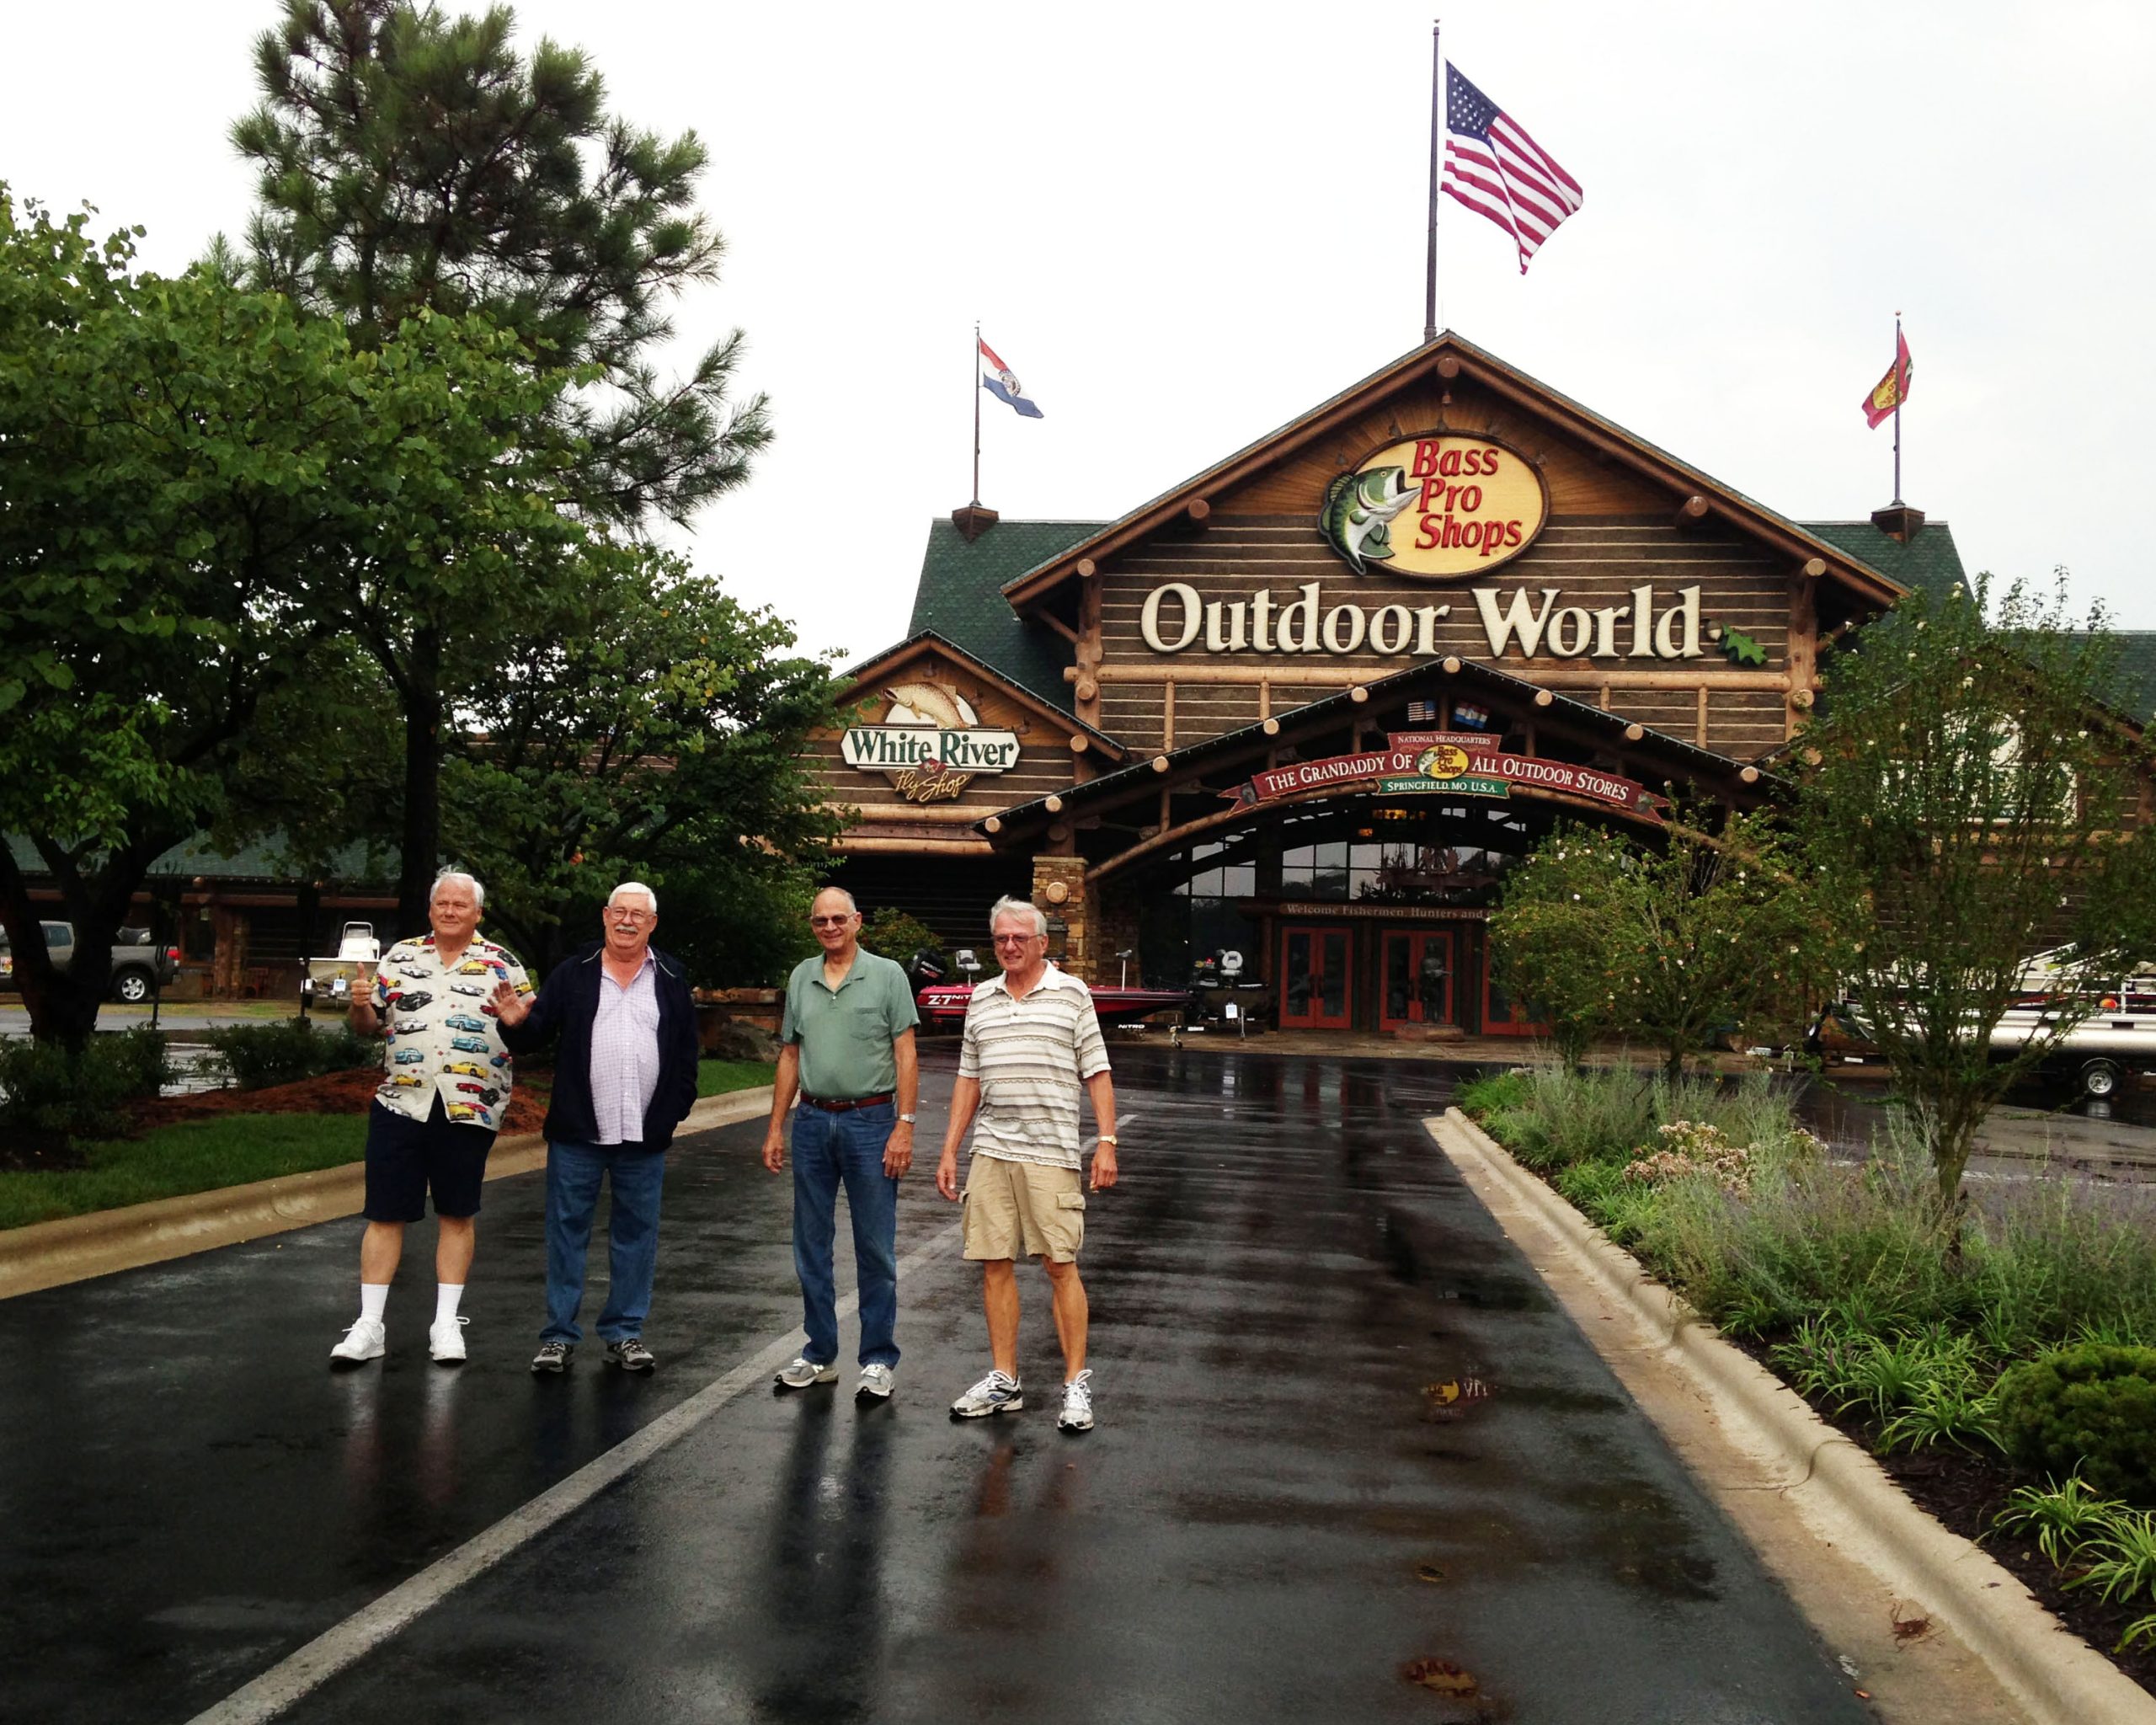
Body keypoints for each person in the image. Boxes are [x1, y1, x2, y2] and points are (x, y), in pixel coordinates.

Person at [493, 882, 700, 1375]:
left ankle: (625, 1332)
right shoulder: (574, 974)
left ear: (652, 923)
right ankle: (559, 1336)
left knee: (636, 1234)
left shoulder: (670, 975)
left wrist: (676, 1107)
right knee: (567, 1232)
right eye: (619, 913)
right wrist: (514, 1023)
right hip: (578, 1132)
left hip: (644, 1134)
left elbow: (687, 1050)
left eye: (638, 915)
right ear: (605, 917)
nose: (627, 922)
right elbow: (534, 1035)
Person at [333, 869, 532, 1368]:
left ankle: (446, 1324)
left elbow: (528, 1028)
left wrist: (518, 1020)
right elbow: (368, 1027)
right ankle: (369, 1326)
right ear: (430, 909)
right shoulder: (399, 957)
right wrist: (359, 1007)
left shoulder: (502, 964)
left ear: (477, 913)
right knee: (385, 1213)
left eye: (460, 904)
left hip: (468, 1105)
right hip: (401, 1101)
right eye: (441, 903)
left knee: (457, 1213)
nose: (449, 911)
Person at [935, 895, 1119, 1432]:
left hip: (1052, 1151)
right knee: (994, 1263)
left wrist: (1106, 1140)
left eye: (1020, 938)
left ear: (1042, 942)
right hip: (992, 1151)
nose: (1009, 947)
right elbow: (968, 1078)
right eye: (1000, 939)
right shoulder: (982, 1000)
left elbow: (1098, 1072)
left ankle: (1075, 1385)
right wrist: (950, 1149)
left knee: (1060, 1264)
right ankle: (1004, 1380)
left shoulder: (1071, 993)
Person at [763, 887, 921, 1400]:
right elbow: (790, 1054)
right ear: (812, 926)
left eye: (838, 919)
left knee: (875, 1246)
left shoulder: (888, 975)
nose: (829, 928)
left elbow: (906, 1053)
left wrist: (905, 1124)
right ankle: (819, 1354)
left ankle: (877, 1359)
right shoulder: (801, 976)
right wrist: (775, 1127)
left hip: (871, 1122)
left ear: (857, 921)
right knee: (810, 1245)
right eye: (819, 921)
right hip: (811, 1122)